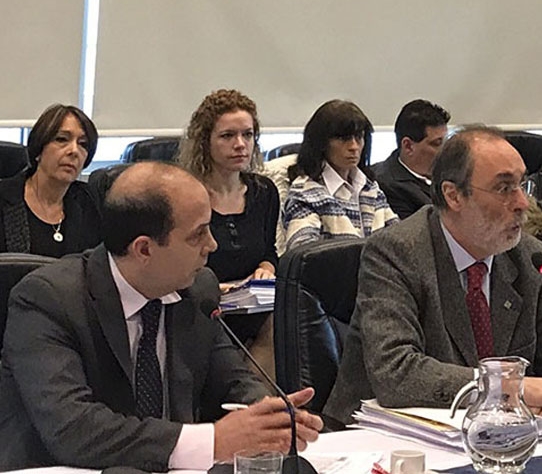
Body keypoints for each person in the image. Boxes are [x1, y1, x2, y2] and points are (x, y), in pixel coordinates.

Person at [0, 162, 323, 470]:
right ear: (144, 249)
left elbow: (232, 379)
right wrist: (213, 441)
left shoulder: (198, 289)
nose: (212, 245)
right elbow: (72, 428)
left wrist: (268, 416)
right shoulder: (48, 299)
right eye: (198, 234)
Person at [323, 126, 542, 427]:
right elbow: (396, 373)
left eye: (522, 185)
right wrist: (512, 389)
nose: (523, 203)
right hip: (377, 438)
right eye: (504, 188)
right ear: (453, 195)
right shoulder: (397, 252)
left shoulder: (528, 257)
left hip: (499, 437)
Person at [179, 89, 279, 285]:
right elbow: (173, 266)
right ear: (205, 141)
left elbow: (268, 252)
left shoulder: (264, 191)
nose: (240, 144)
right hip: (200, 298)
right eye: (227, 136)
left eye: (248, 134)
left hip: (253, 298)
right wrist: (210, 288)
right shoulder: (184, 196)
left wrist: (266, 269)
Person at [282, 100, 397, 250]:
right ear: (321, 143)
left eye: (359, 137)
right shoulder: (304, 194)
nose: (354, 147)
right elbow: (302, 251)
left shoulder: (370, 188)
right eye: (344, 139)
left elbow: (399, 239)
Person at [0, 103, 101, 256]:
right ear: (38, 150)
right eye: (62, 139)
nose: (74, 151)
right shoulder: (4, 198)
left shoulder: (90, 202)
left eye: (83, 144)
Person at [370, 99, 450, 219]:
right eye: (436, 144)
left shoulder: (451, 173)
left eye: (446, 142)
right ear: (408, 146)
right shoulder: (385, 184)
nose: (445, 150)